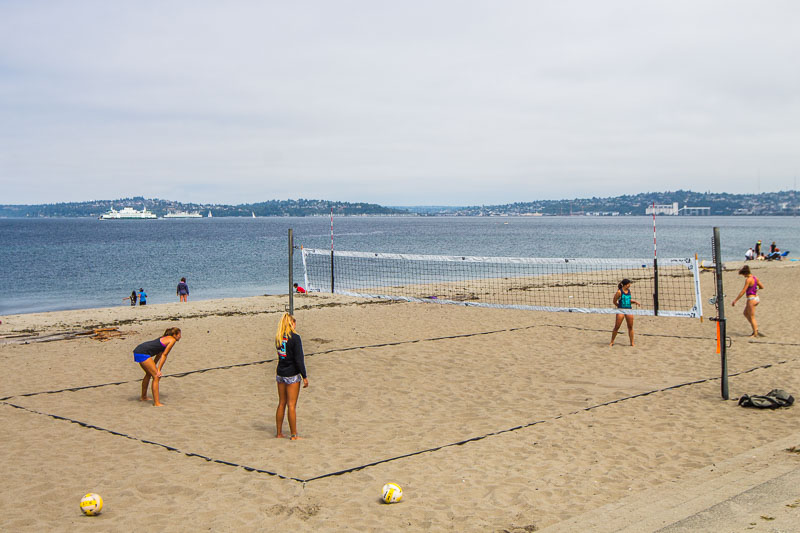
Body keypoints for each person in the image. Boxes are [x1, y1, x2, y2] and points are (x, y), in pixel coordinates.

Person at [274, 312, 308, 440]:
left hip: (280, 373)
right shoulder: (295, 338)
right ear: (291, 323)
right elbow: (299, 359)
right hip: (291, 374)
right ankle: (294, 434)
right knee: (291, 405)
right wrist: (304, 376)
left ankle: (279, 433)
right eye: (294, 323)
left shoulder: (278, 337)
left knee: (281, 403)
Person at [132, 327, 181, 406]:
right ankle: (157, 403)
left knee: (149, 373)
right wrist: (158, 370)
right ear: (174, 335)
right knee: (156, 376)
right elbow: (164, 355)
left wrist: (154, 366)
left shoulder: (165, 338)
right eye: (179, 335)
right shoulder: (172, 340)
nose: (180, 337)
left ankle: (143, 397)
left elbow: (159, 354)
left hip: (139, 350)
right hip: (142, 352)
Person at [732, 265, 764, 338]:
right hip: (756, 298)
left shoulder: (748, 280)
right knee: (745, 313)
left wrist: (735, 300)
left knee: (752, 316)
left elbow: (743, 291)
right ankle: (755, 328)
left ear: (745, 273)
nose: (743, 276)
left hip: (751, 299)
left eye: (743, 274)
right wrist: (755, 288)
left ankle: (755, 332)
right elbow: (761, 287)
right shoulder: (755, 278)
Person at [610, 279, 641, 346]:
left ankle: (632, 343)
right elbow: (614, 301)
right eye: (629, 284)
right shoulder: (619, 292)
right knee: (617, 326)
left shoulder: (629, 291)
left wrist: (635, 302)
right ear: (625, 285)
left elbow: (628, 300)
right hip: (621, 310)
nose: (630, 285)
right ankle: (612, 342)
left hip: (629, 310)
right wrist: (619, 306)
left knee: (630, 327)